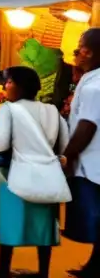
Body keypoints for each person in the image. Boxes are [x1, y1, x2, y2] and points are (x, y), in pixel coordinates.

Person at [0, 66, 69, 278]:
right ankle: (43, 272)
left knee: (11, 221)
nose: (6, 86)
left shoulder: (9, 109)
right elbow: (64, 143)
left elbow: (0, 144)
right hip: (47, 174)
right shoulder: (52, 110)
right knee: (43, 225)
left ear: (20, 86)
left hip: (15, 171)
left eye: (10, 82)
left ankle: (4, 270)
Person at [62, 29, 100, 276]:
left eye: (81, 48)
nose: (77, 53)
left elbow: (86, 126)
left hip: (92, 164)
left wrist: (67, 156)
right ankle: (93, 267)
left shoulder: (94, 87)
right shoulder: (90, 81)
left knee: (94, 219)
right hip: (92, 162)